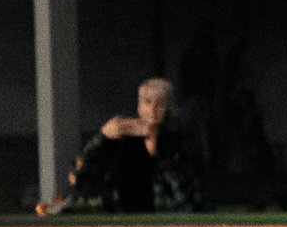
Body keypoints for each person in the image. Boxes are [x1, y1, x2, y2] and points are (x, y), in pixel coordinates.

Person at [54, 78, 201, 214]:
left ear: (168, 108)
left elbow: (190, 190)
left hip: (168, 219)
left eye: (160, 104)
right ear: (139, 106)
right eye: (147, 102)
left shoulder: (177, 141)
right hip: (123, 219)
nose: (153, 109)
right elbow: (78, 174)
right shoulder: (121, 140)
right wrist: (102, 135)